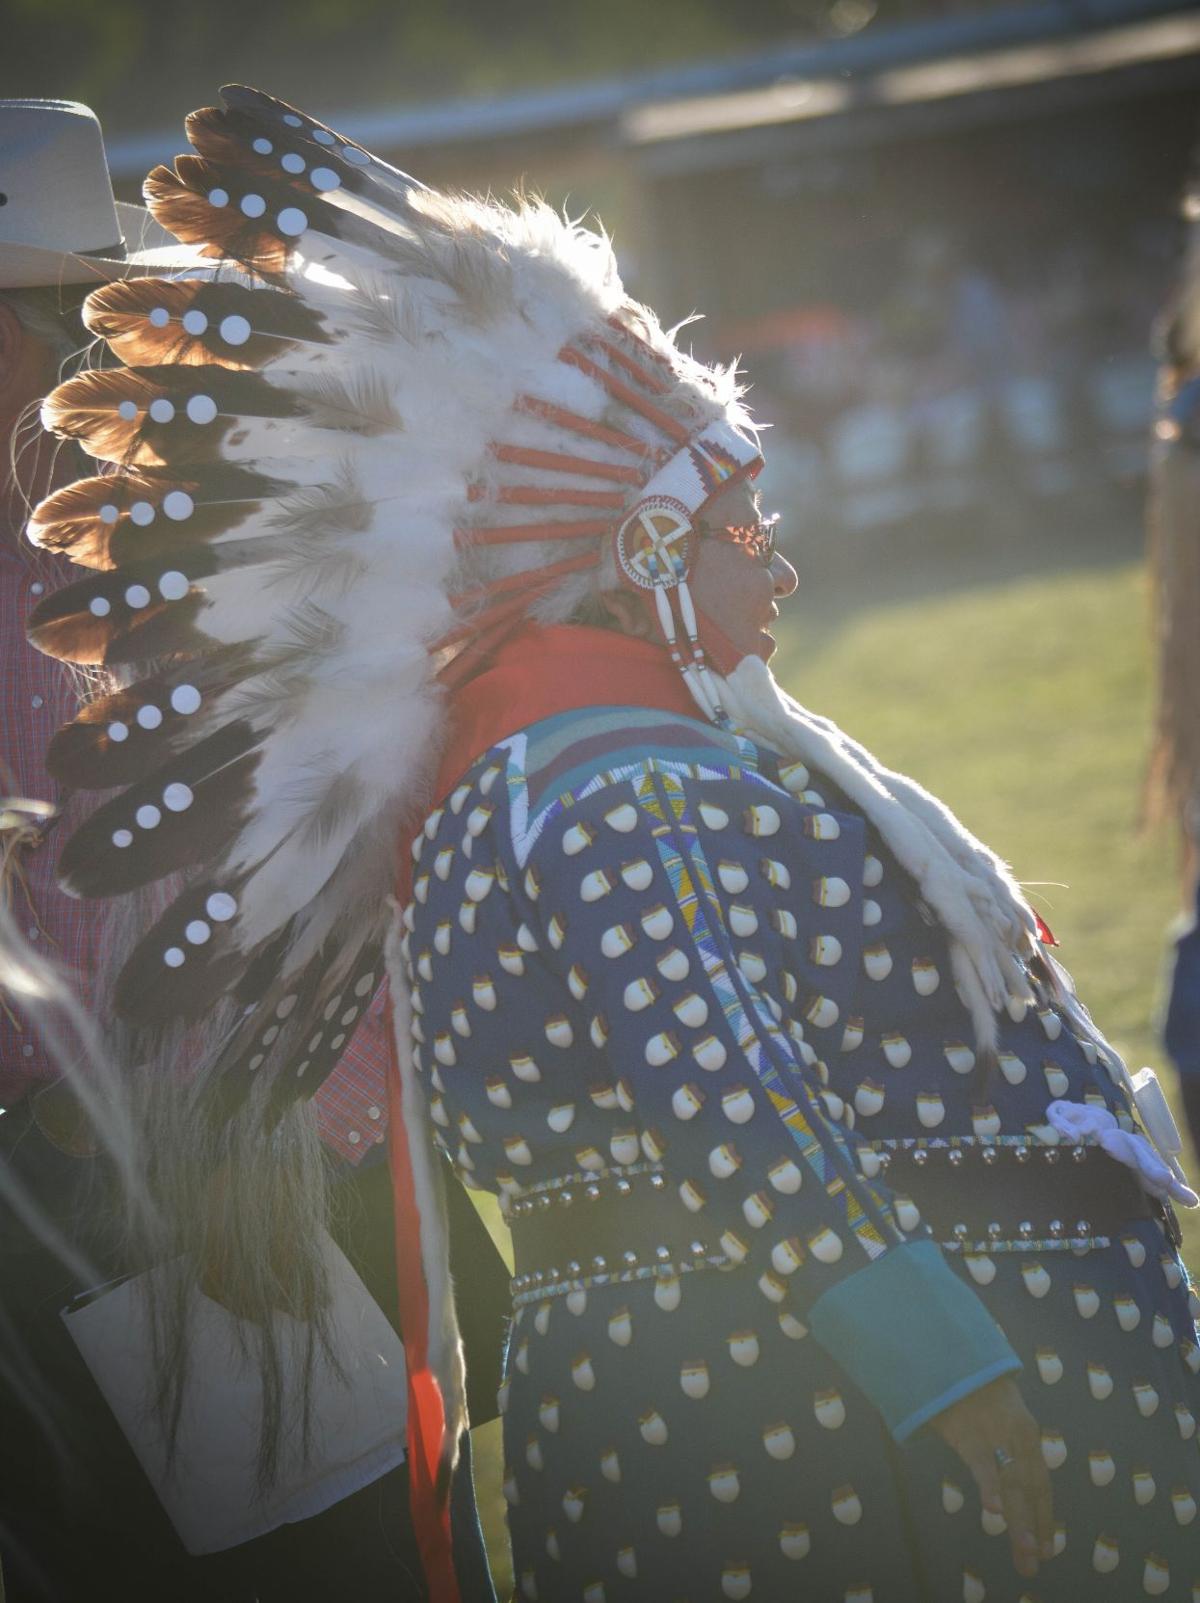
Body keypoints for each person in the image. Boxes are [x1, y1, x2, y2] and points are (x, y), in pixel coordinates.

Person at [25, 85, 1198, 1603]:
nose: (775, 568)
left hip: (813, 1424)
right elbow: (729, 1096)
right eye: (742, 528)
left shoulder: (612, 770)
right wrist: (942, 1365)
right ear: (643, 552)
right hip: (809, 1455)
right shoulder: (605, 796)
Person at [0, 98, 503, 1602]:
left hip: (198, 1185)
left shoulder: (176, 537)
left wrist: (222, 1131)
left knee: (314, 1561)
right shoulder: (217, 507)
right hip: (155, 1181)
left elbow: (366, 821)